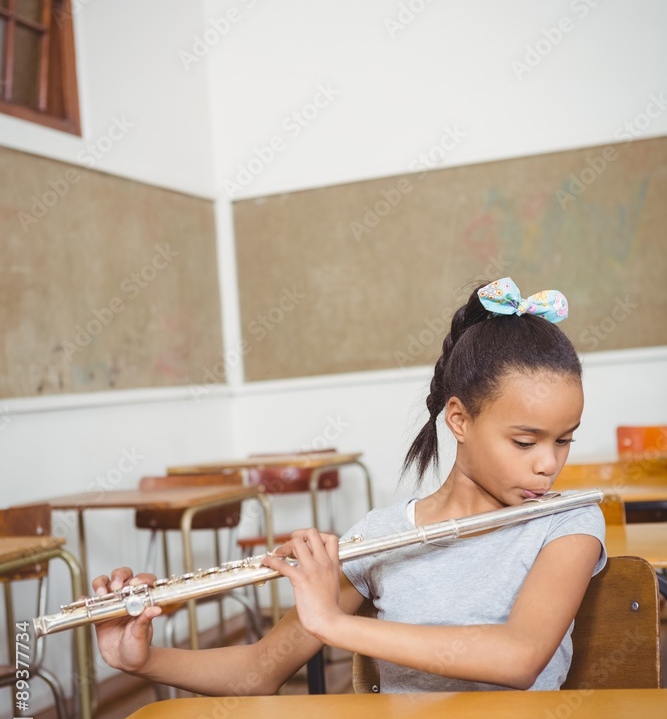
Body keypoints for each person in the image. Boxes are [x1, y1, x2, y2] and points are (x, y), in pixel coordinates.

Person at [93, 277, 605, 695]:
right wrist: (141, 660)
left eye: (564, 440)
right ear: (459, 420)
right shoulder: (380, 536)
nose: (548, 464)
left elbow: (519, 658)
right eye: (524, 442)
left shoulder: (568, 523)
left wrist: (334, 624)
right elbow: (258, 671)